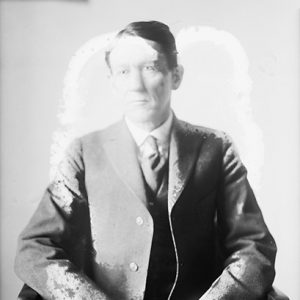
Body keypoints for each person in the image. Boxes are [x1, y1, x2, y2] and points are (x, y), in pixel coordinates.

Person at [15, 21, 277, 300]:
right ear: (112, 81)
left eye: (150, 68)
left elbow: (254, 245)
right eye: (124, 71)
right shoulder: (84, 152)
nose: (136, 86)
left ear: (176, 75)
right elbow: (35, 247)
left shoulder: (215, 147)